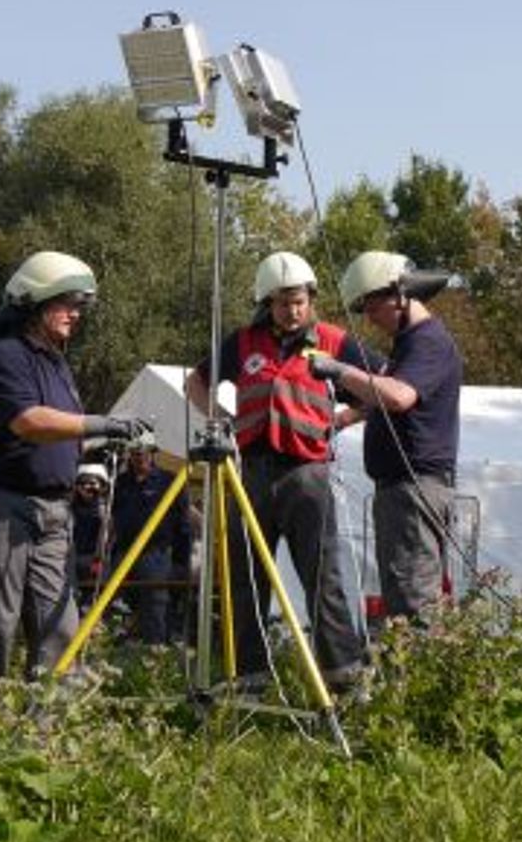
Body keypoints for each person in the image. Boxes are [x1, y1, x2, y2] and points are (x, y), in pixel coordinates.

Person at [184, 250, 372, 686]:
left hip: (309, 472)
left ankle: (344, 676)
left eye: (301, 301)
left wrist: (343, 419)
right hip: (251, 471)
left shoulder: (333, 340)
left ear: (311, 299)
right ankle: (251, 673)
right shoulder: (243, 341)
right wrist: (218, 417)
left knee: (323, 576)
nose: (293, 310)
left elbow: (378, 388)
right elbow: (195, 381)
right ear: (267, 302)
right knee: (244, 573)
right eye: (284, 302)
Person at [0, 250, 145, 685]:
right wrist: (101, 422)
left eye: (80, 306)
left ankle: (50, 730)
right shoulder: (5, 357)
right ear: (34, 302)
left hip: (55, 513)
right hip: (6, 509)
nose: (75, 315)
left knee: (59, 624)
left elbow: (64, 434)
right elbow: (29, 422)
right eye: (67, 304)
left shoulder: (57, 365)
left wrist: (110, 436)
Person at [327, 250, 464, 623]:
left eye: (371, 306)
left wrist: (340, 370)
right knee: (404, 591)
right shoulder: (409, 345)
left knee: (413, 597)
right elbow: (388, 397)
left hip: (413, 489)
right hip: (403, 490)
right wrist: (344, 419)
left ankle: (416, 679)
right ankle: (412, 676)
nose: (368, 317)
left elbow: (400, 396)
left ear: (400, 294)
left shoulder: (428, 341)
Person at [107, 438, 193, 644]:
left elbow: (183, 522)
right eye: (136, 453)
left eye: (144, 452)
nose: (140, 457)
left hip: (155, 553)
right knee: (117, 601)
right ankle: (114, 652)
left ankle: (156, 654)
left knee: (155, 603)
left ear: (153, 453)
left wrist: (182, 560)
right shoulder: (119, 483)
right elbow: (112, 518)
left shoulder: (168, 481)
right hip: (124, 551)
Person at [71, 460, 112, 613]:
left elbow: (107, 540)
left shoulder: (104, 510)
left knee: (94, 599)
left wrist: (99, 559)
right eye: (84, 483)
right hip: (71, 560)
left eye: (93, 483)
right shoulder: (69, 507)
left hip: (94, 560)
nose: (88, 487)